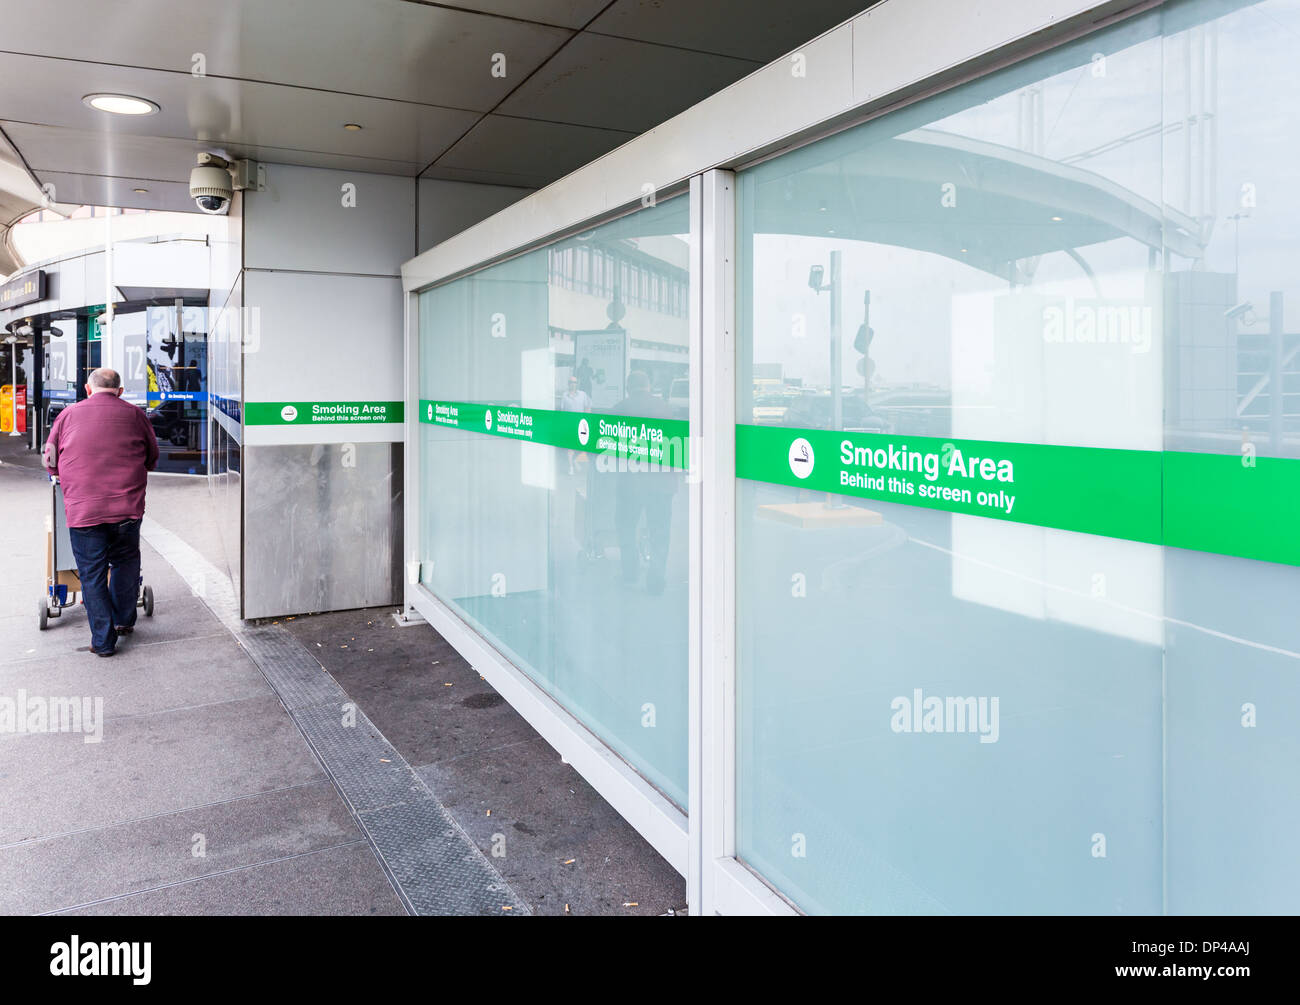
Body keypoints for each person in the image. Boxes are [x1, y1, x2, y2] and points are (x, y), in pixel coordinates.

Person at [43, 368, 158, 657]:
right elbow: (152, 458)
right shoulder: (136, 415)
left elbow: (50, 459)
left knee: (91, 574)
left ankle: (104, 642)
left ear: (87, 388)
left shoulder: (68, 415)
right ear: (120, 391)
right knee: (125, 562)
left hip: (84, 510)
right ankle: (123, 621)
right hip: (127, 509)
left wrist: (60, 472)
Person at [612, 370, 677, 595]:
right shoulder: (665, 409)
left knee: (626, 526)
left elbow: (607, 446)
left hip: (631, 483)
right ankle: (656, 576)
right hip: (662, 484)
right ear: (648, 386)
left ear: (629, 387)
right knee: (660, 531)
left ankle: (630, 572)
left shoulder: (620, 408)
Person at [558, 376, 592, 475]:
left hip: (581, 425)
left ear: (577, 384)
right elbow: (563, 411)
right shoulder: (564, 396)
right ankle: (571, 467)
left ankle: (576, 461)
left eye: (575, 382)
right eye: (571, 382)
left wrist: (587, 420)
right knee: (570, 447)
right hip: (570, 425)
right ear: (568, 384)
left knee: (582, 446)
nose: (573, 384)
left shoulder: (583, 395)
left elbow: (588, 407)